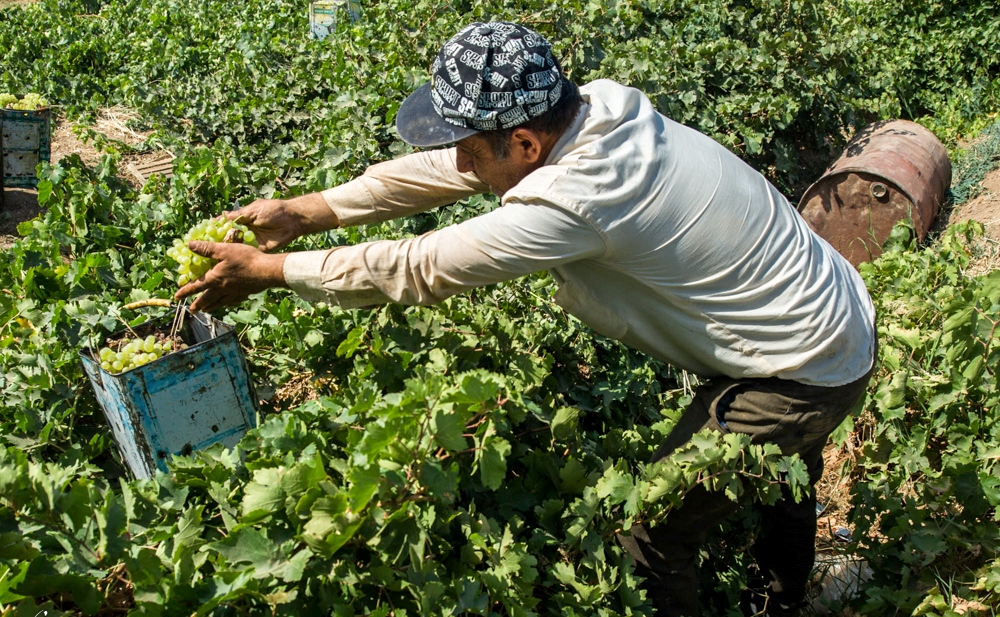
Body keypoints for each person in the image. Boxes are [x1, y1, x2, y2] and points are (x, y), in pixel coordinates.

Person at [175, 21, 876, 617]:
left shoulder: (578, 198)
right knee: (784, 474)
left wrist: (267, 273)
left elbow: (420, 268)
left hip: (801, 367)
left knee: (653, 530)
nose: (456, 158)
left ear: (525, 146)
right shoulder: (594, 108)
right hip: (822, 310)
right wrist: (308, 211)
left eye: (469, 144)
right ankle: (784, 598)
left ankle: (774, 597)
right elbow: (446, 171)